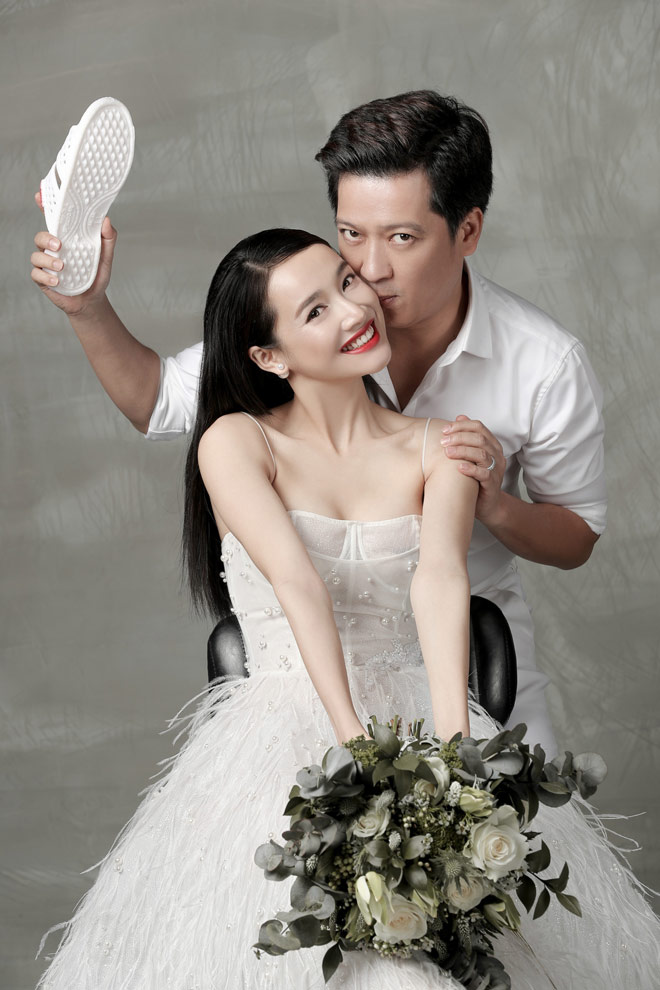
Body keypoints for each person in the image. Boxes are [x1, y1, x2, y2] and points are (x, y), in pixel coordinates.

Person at [36, 228, 658, 990]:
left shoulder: (442, 445)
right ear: (270, 357)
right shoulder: (235, 441)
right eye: (315, 311)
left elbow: (441, 580)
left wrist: (454, 757)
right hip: (284, 724)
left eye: (346, 282)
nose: (354, 310)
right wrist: (354, 748)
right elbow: (298, 584)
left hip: (414, 707)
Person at [30, 91, 607, 757]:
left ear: (467, 230)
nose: (370, 270)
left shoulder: (544, 362)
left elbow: (576, 535)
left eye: (402, 238)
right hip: (300, 693)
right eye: (351, 234)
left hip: (471, 666)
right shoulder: (309, 313)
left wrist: (494, 503)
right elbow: (157, 400)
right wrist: (86, 306)